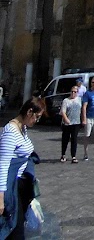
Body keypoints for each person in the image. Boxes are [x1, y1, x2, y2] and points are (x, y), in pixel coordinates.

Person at [0, 98, 44, 238]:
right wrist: (0, 199)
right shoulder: (10, 132)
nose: (37, 121)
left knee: (17, 229)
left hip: (21, 188)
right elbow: (3, 166)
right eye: (37, 117)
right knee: (14, 231)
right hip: (12, 189)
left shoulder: (22, 128)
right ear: (29, 112)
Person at [60, 85, 82, 164]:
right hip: (67, 123)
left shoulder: (79, 100)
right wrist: (66, 119)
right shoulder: (66, 100)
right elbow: (63, 111)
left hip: (76, 123)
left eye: (75, 92)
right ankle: (63, 155)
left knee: (74, 139)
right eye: (72, 91)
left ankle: (73, 156)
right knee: (65, 139)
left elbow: (82, 109)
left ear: (77, 93)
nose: (73, 93)